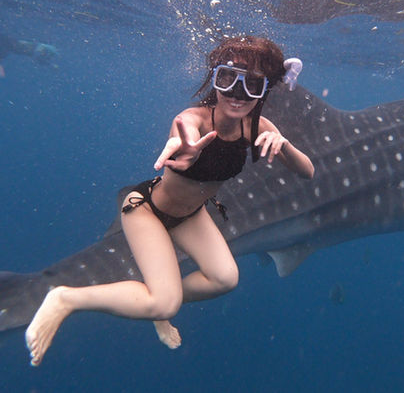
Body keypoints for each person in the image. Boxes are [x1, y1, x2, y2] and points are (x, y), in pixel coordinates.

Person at [25, 36, 314, 366]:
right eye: (227, 79)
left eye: (252, 85)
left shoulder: (258, 126)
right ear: (214, 79)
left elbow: (307, 172)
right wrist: (184, 146)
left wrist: (284, 144)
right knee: (164, 304)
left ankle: (155, 298)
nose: (237, 94)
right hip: (147, 209)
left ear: (265, 90)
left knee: (224, 280)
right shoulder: (194, 119)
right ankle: (65, 298)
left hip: (192, 215)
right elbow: (183, 130)